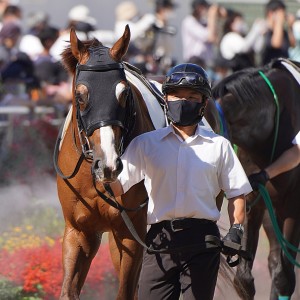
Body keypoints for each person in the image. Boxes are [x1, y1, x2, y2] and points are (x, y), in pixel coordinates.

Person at [109, 63, 252, 299]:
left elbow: (237, 193)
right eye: (176, 95)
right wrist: (107, 172)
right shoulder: (144, 145)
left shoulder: (219, 146)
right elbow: (118, 187)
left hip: (203, 241)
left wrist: (236, 228)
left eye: (192, 96)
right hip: (160, 240)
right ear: (165, 99)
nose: (182, 101)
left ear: (203, 103)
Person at [181, 0, 226, 67]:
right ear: (198, 8)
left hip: (205, 62)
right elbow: (210, 37)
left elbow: (216, 40)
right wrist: (211, 16)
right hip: (194, 62)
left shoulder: (203, 21)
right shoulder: (189, 21)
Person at [261, 0, 295, 65]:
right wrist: (279, 20)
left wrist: (290, 27)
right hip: (269, 71)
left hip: (282, 70)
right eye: (281, 12)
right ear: (271, 13)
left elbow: (292, 44)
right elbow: (276, 44)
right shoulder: (264, 28)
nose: (284, 15)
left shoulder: (283, 31)